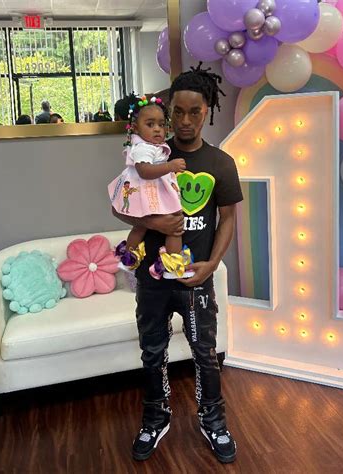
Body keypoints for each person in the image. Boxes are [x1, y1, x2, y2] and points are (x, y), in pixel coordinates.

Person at [111, 64, 243, 463]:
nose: (185, 121)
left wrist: (212, 264)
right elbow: (121, 205)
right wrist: (154, 224)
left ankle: (213, 420)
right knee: (152, 351)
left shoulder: (221, 163)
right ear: (168, 114)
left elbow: (228, 219)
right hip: (152, 279)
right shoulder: (150, 155)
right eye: (177, 113)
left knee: (205, 353)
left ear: (207, 111)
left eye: (194, 112)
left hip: (194, 278)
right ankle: (156, 417)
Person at [108, 95, 194, 279]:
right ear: (135, 128)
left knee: (141, 226)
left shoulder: (147, 145)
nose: (157, 129)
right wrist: (170, 166)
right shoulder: (144, 148)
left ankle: (128, 258)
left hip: (147, 191)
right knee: (175, 224)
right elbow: (144, 171)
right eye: (150, 124)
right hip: (147, 190)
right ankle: (173, 265)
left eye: (161, 124)